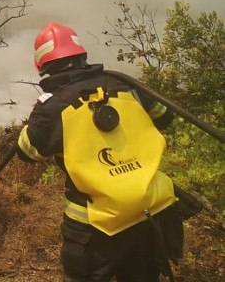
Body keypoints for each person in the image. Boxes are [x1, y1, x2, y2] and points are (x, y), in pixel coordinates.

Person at [16, 22, 186, 281]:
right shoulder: (124, 85)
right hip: (147, 213)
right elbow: (164, 117)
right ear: (81, 55)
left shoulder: (52, 107)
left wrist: (35, 119)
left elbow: (27, 153)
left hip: (94, 230)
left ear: (43, 66)